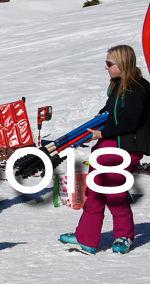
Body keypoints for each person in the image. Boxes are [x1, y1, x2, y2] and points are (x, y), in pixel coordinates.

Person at [60, 45, 150, 255]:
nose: (106, 67)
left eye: (110, 63)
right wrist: (97, 122)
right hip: (109, 143)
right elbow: (111, 111)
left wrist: (101, 133)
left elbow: (129, 121)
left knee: (114, 192)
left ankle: (123, 235)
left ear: (123, 63)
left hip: (126, 145)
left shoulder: (137, 88)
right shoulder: (117, 85)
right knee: (95, 191)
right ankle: (86, 238)